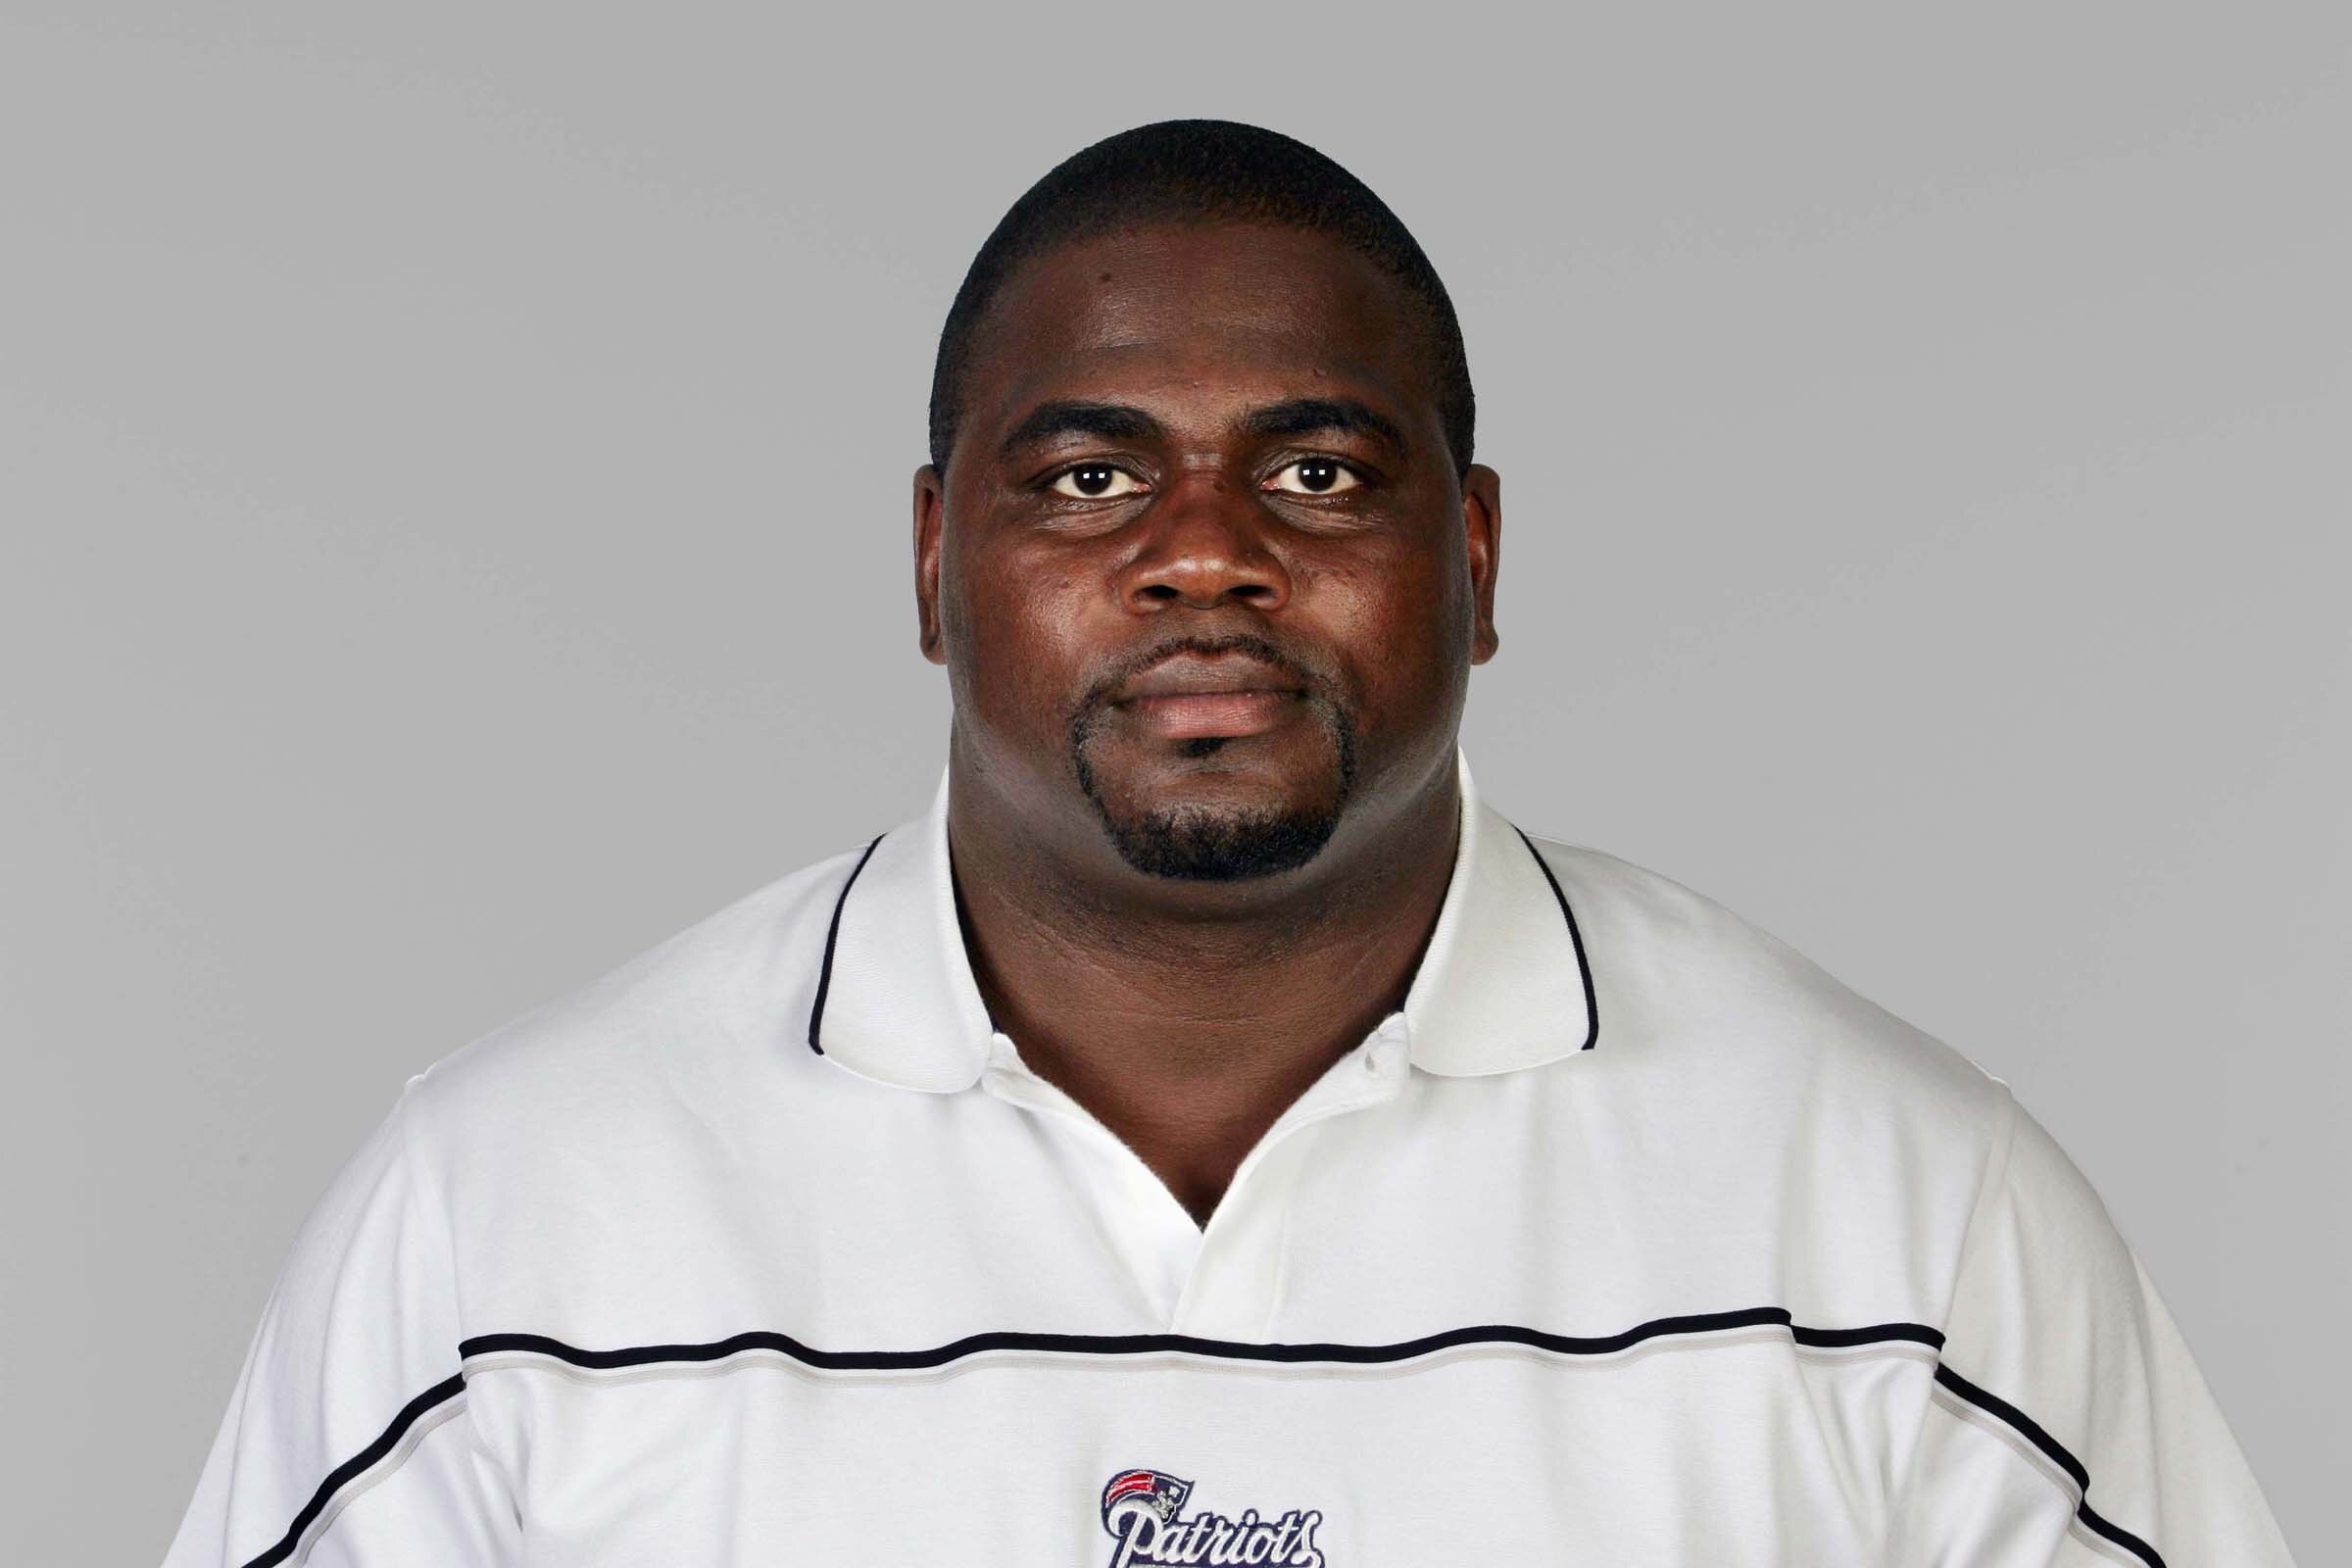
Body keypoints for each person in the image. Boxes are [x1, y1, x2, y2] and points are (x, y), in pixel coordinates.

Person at [161, 120, 2298, 1568]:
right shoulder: (511, 1227)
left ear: (1470, 551)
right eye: (1089, 478)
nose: (1206, 557)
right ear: (933, 560)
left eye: (1321, 472)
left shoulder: (1902, 1226)